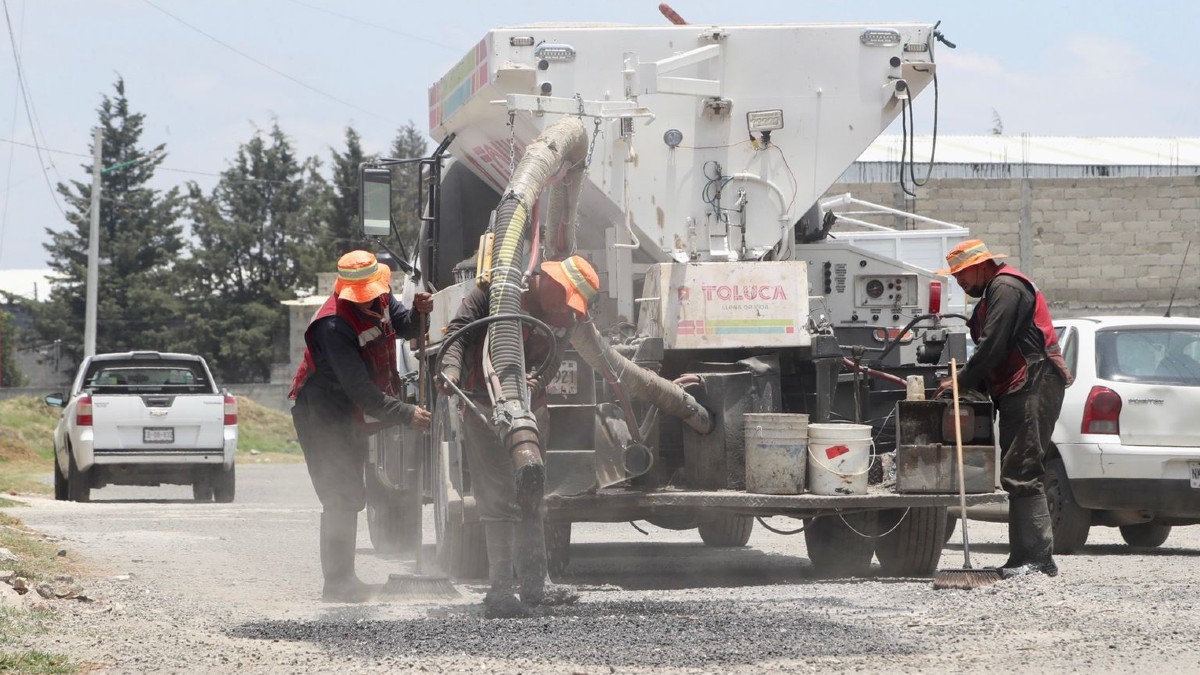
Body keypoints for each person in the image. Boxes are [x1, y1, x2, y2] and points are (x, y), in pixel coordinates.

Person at [439, 255, 599, 618]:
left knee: (531, 495)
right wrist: (450, 370)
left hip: (532, 412)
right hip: (484, 410)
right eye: (562, 298)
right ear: (548, 280)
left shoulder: (567, 316)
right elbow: (458, 332)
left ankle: (534, 588)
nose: (564, 308)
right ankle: (499, 591)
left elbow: (556, 357)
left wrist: (538, 378)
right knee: (498, 501)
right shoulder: (493, 293)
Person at [289, 250, 433, 602]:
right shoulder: (333, 325)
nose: (371, 298)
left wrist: (419, 313)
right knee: (340, 493)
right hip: (322, 413)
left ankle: (343, 579)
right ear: (349, 291)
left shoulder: (382, 299)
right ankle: (337, 584)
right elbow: (361, 391)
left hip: (348, 410)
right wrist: (405, 414)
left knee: (351, 491)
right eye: (363, 293)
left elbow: (409, 328)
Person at [934, 239, 1073, 578]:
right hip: (1021, 386)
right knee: (1016, 471)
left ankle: (1038, 560)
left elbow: (993, 343)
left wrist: (963, 381)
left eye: (962, 274)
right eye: (954, 276)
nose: (959, 282)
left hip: (1033, 382)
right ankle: (1022, 559)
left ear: (982, 265)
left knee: (1023, 470)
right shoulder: (996, 290)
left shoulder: (1006, 287)